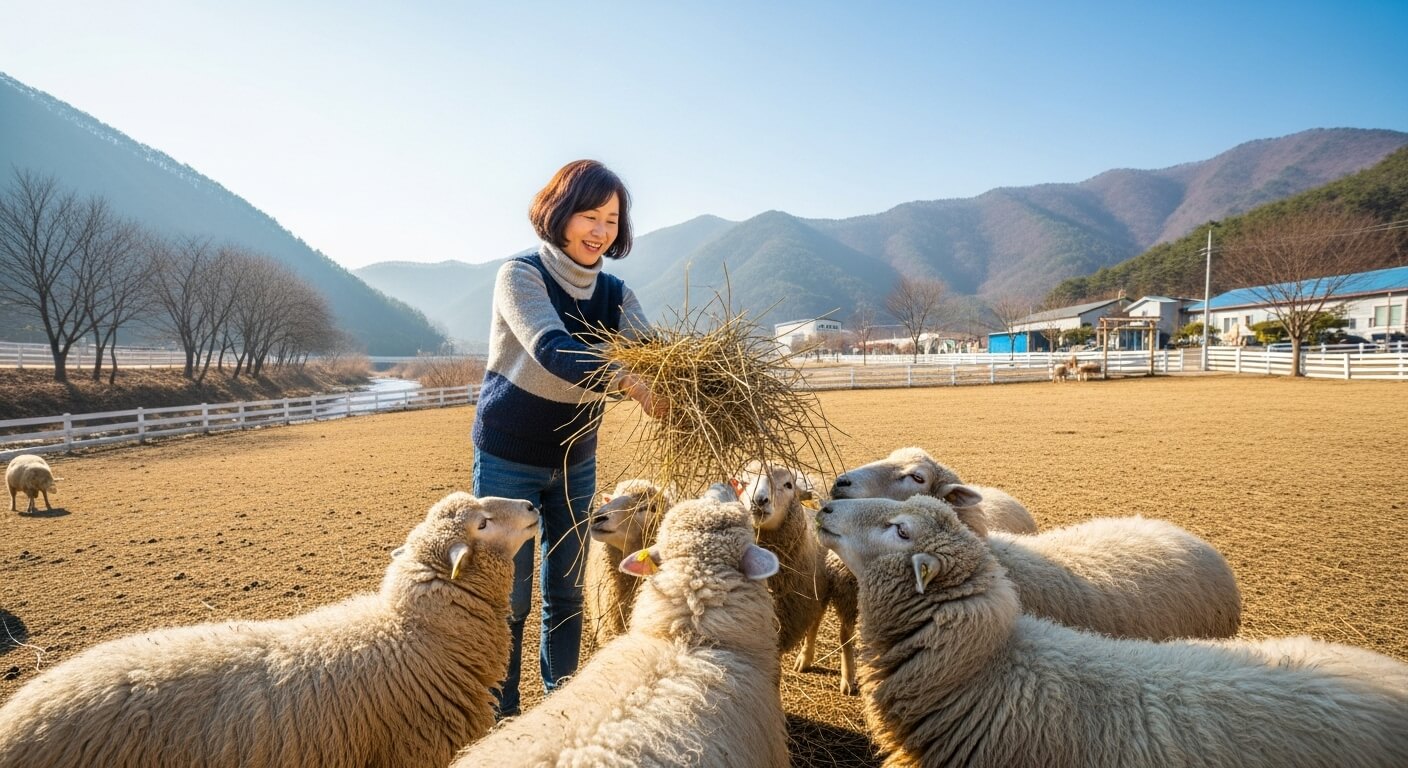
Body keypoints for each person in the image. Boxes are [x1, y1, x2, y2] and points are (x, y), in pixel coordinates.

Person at [472, 159, 664, 717]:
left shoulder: (616, 294)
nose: (600, 231)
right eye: (589, 216)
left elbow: (653, 350)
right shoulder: (521, 275)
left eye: (611, 220)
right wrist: (626, 379)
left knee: (568, 590)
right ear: (559, 213)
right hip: (508, 456)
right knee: (509, 597)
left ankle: (562, 707)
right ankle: (502, 713)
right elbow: (551, 349)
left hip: (574, 460)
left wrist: (685, 381)